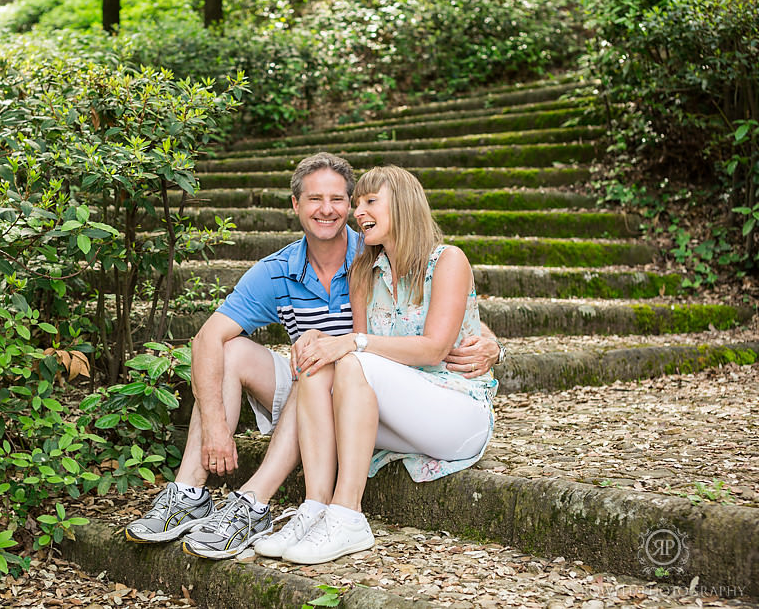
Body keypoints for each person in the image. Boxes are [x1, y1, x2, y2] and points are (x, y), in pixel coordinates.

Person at [124, 155, 502, 560]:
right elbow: (208, 339)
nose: (342, 210)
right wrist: (218, 424)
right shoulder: (335, 268)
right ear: (295, 205)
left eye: (346, 200)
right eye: (318, 199)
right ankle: (208, 495)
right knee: (262, 355)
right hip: (346, 389)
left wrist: (495, 347)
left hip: (412, 393)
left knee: (336, 362)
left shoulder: (388, 252)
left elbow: (438, 332)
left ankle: (281, 504)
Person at [260, 165, 499, 565]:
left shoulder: (447, 261)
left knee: (352, 359)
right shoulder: (363, 275)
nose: (358, 212)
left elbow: (434, 348)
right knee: (317, 368)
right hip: (401, 420)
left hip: (459, 414)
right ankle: (316, 506)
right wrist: (322, 343)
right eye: (357, 204)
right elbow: (360, 361)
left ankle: (348, 513)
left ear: (403, 207)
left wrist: (351, 343)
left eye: (370, 201)